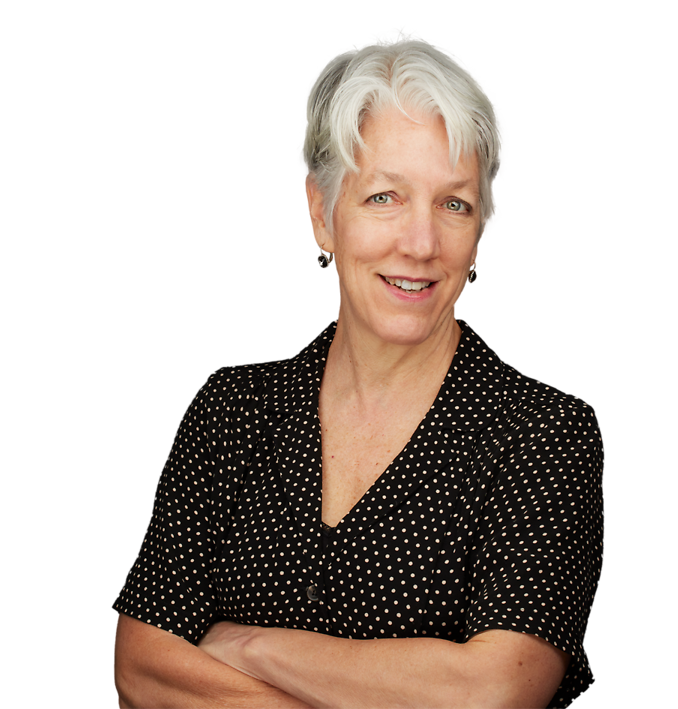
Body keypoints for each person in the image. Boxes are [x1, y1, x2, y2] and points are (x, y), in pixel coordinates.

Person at [112, 26, 606, 709]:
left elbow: (494, 690)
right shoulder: (232, 409)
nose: (421, 243)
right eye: (384, 197)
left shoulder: (546, 434)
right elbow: (141, 666)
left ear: (480, 233)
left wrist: (251, 646)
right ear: (322, 213)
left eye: (454, 204)